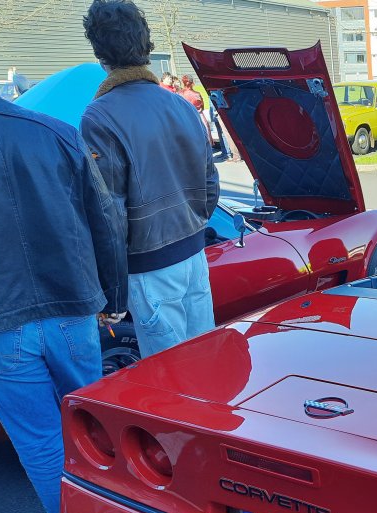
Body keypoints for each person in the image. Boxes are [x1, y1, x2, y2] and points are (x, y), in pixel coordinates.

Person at [0, 10, 127, 513]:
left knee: (37, 434)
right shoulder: (54, 131)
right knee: (89, 421)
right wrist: (114, 300)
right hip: (74, 309)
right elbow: (105, 223)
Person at [81, 0, 220, 358]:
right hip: (193, 253)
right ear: (146, 46)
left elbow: (109, 214)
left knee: (171, 373)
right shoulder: (181, 105)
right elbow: (210, 184)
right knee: (204, 359)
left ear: (99, 52)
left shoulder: (100, 116)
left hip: (150, 266)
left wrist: (111, 295)